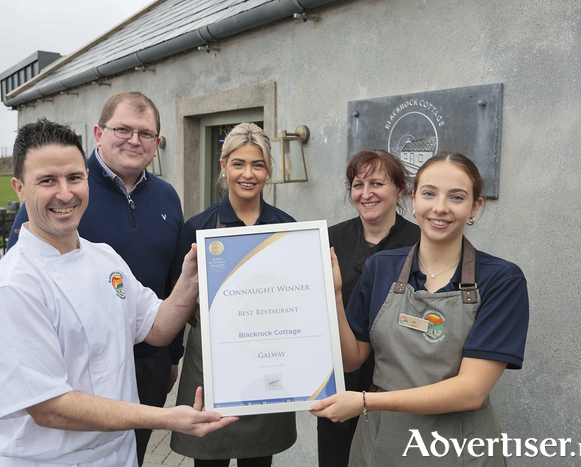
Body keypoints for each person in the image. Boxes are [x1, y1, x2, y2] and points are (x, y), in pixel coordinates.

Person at [0, 118, 236, 467]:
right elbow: (49, 408)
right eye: (47, 180)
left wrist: (190, 281)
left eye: (75, 178)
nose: (65, 193)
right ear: (20, 189)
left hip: (118, 455)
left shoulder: (104, 258)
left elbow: (155, 326)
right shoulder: (12, 287)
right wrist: (166, 418)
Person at [311, 151, 529, 466]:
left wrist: (365, 401)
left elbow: (471, 391)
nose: (439, 207)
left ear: (475, 208)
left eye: (456, 197)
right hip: (379, 445)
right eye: (429, 193)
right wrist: (334, 295)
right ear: (414, 200)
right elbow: (351, 360)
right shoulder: (380, 267)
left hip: (459, 449)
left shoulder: (501, 280)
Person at [6, 92, 184, 465]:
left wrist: (172, 355)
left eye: (146, 133)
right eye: (122, 129)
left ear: (157, 144)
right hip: (73, 375)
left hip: (146, 358)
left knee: (130, 449)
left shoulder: (165, 200)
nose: (134, 140)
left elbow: (169, 288)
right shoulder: (19, 273)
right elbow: (49, 403)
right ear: (98, 134)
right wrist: (173, 418)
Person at [169, 123, 296, 467]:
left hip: (265, 361)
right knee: (209, 457)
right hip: (210, 364)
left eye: (257, 164)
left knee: (259, 460)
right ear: (223, 166)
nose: (248, 173)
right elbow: (179, 301)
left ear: (268, 171)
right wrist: (172, 358)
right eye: (239, 163)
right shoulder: (198, 228)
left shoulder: (287, 228)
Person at [319, 150, 420, 466]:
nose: (366, 193)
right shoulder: (329, 239)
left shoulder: (420, 241)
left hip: (398, 382)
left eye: (377, 183)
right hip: (339, 380)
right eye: (358, 184)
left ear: (399, 189)